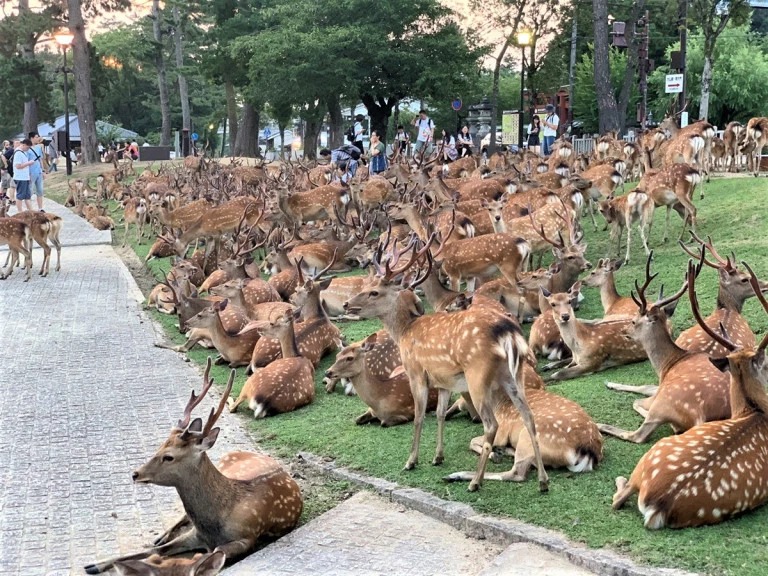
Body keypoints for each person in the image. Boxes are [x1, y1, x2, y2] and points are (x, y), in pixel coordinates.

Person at [13, 139, 35, 213]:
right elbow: (18, 166)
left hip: (25, 177)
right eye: (28, 147)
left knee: (27, 196)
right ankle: (20, 211)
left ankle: (31, 211)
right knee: (20, 195)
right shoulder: (18, 153)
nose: (28, 149)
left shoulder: (23, 152)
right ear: (24, 145)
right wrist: (29, 163)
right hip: (20, 177)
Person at [27, 131, 45, 211]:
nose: (38, 139)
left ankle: (40, 208)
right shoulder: (27, 149)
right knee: (30, 191)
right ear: (32, 138)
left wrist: (43, 170)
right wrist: (28, 173)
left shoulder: (38, 147)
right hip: (31, 172)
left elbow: (40, 159)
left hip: (39, 171)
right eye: (36, 137)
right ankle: (30, 209)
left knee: (40, 190)